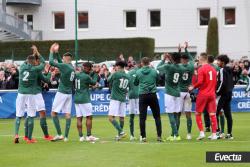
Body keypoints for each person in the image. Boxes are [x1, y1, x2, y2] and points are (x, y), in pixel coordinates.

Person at [22, 45, 53, 141]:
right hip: (36, 94)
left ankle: (26, 136)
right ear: (35, 61)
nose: (38, 62)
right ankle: (46, 135)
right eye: (37, 60)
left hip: (27, 94)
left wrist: (35, 53)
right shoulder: (37, 70)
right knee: (42, 113)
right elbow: (47, 80)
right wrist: (49, 73)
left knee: (29, 115)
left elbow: (29, 59)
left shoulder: (25, 67)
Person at [14, 54, 45, 144]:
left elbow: (26, 61)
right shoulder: (35, 69)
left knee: (18, 115)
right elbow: (43, 63)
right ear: (34, 61)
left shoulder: (22, 67)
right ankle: (29, 138)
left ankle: (16, 134)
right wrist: (38, 55)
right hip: (31, 94)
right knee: (31, 115)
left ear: (27, 60)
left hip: (21, 93)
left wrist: (29, 59)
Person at [49, 43, 75, 142]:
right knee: (67, 114)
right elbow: (60, 62)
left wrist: (51, 51)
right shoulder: (71, 66)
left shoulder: (65, 66)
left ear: (66, 58)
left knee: (53, 113)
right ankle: (66, 137)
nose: (62, 60)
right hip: (68, 93)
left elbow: (51, 62)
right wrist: (57, 53)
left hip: (62, 92)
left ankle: (60, 134)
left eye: (63, 58)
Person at [188, 52, 218, 140]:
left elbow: (200, 81)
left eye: (199, 59)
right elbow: (215, 82)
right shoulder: (213, 69)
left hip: (203, 94)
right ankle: (214, 134)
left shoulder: (201, 69)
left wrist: (193, 87)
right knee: (212, 114)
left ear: (201, 59)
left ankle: (202, 133)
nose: (198, 61)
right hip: (212, 94)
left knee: (198, 113)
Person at [135, 57, 162, 142]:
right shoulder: (154, 71)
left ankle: (143, 137)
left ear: (142, 63)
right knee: (157, 116)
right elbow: (158, 80)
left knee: (142, 118)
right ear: (149, 63)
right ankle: (159, 136)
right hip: (152, 95)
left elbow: (135, 83)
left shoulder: (138, 72)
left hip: (143, 95)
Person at [157, 52, 183, 141]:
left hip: (169, 93)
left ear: (172, 58)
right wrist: (171, 59)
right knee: (176, 115)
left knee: (170, 114)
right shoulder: (181, 68)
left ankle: (176, 134)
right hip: (177, 92)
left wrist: (164, 59)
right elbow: (175, 64)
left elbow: (158, 67)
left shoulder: (168, 66)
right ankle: (173, 135)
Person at [74, 62, 99, 142]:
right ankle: (89, 136)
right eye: (90, 68)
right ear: (86, 68)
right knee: (89, 117)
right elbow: (94, 82)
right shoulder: (86, 77)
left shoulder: (77, 75)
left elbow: (86, 76)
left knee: (79, 118)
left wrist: (93, 73)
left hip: (77, 98)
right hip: (84, 98)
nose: (91, 69)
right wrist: (95, 74)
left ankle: (81, 137)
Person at [107, 61, 130, 141]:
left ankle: (121, 132)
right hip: (123, 99)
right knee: (121, 117)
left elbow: (108, 80)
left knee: (110, 117)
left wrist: (112, 73)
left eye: (116, 66)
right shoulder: (127, 76)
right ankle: (119, 135)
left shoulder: (116, 74)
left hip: (115, 98)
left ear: (118, 66)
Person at [216, 55, 234, 139]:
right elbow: (231, 82)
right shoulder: (230, 69)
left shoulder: (222, 70)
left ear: (222, 62)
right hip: (229, 94)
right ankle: (229, 134)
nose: (217, 62)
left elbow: (222, 83)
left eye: (218, 61)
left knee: (215, 113)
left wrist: (216, 93)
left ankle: (218, 132)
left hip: (223, 95)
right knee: (228, 114)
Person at [179, 42, 194, 140]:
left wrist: (179, 50)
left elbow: (175, 60)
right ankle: (189, 134)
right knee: (188, 114)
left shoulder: (178, 67)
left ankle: (176, 134)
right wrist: (186, 49)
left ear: (181, 59)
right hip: (188, 91)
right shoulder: (191, 66)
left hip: (179, 91)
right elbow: (191, 59)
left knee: (177, 114)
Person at [127, 62, 140, 141]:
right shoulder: (139, 72)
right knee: (141, 115)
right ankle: (142, 135)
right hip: (139, 94)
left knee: (131, 116)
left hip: (131, 95)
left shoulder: (128, 73)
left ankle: (132, 135)